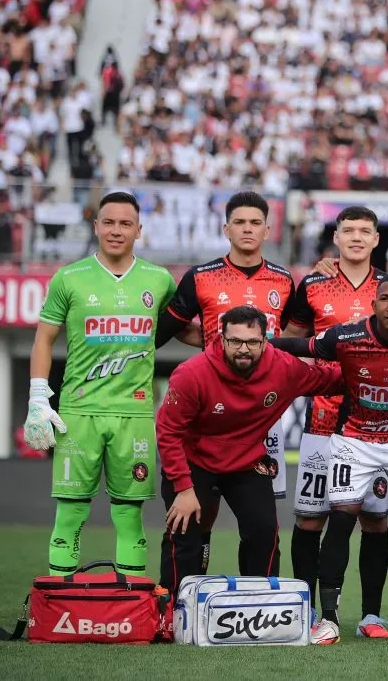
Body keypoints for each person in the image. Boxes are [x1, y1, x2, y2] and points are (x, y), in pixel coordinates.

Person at [271, 274, 388, 647]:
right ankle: (328, 620)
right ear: (373, 304)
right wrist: (259, 343)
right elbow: (300, 343)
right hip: (355, 440)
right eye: (385, 299)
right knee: (341, 519)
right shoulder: (346, 337)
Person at [24, 191, 176, 577]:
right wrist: (38, 399)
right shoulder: (69, 278)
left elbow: (182, 327)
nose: (116, 230)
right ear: (95, 227)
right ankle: (59, 603)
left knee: (129, 514)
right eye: (108, 222)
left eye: (125, 223)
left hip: (135, 413)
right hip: (79, 412)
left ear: (139, 230)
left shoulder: (159, 280)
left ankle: (132, 608)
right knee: (70, 511)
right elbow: (43, 339)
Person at [155, 191, 295, 582]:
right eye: (240, 222)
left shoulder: (284, 280)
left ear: (267, 230)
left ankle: (257, 600)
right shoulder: (200, 277)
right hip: (211, 410)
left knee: (261, 521)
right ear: (226, 228)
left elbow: (298, 329)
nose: (247, 229)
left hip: (260, 418)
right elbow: (167, 328)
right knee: (203, 510)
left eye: (255, 223)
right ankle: (187, 593)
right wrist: (208, 345)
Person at [157, 306, 345, 594]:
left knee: (264, 532)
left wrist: (371, 364)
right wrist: (183, 489)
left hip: (245, 463)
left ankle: (260, 603)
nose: (244, 349)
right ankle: (170, 609)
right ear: (221, 339)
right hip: (194, 461)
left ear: (265, 341)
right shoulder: (191, 374)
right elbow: (168, 432)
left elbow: (330, 380)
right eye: (235, 341)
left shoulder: (283, 367)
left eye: (253, 342)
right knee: (184, 532)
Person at [279, 206, 388, 638]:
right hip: (322, 422)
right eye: (349, 231)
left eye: (366, 231)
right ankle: (306, 609)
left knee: (375, 520)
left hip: (377, 424)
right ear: (337, 236)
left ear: (376, 239)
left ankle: (370, 614)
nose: (357, 238)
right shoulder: (313, 282)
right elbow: (291, 341)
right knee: (311, 517)